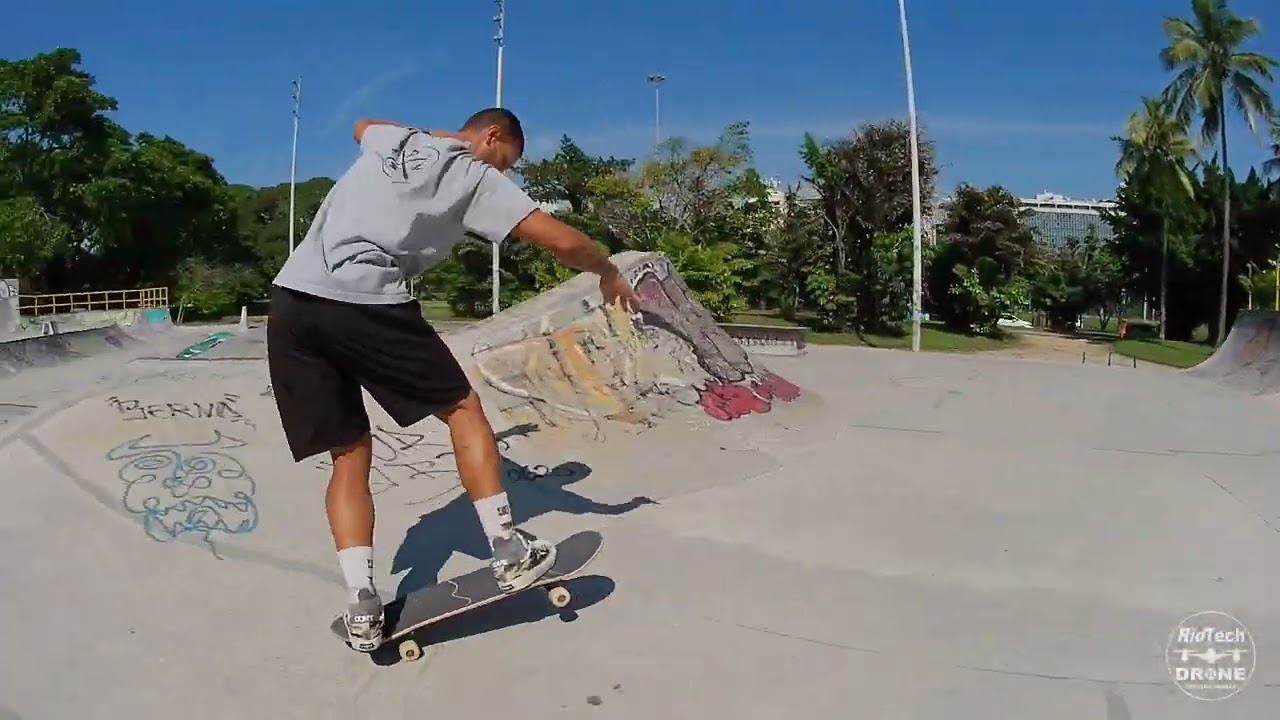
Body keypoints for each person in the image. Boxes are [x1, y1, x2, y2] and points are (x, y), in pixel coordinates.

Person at [266, 108, 640, 652]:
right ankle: (510, 552)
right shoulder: (475, 176)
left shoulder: (394, 142)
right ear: (492, 138)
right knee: (464, 410)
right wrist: (607, 270)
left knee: (348, 454)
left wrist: (439, 137)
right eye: (506, 161)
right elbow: (558, 240)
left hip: (290, 305)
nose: (504, 175)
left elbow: (359, 124)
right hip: (363, 300)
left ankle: (363, 604)